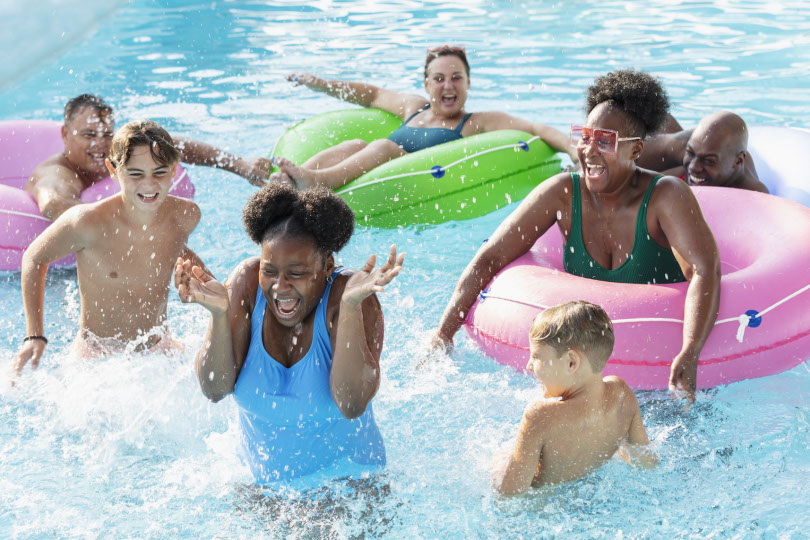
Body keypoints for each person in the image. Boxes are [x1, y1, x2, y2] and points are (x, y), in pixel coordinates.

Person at [432, 69, 721, 398]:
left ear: (636, 150)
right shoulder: (563, 194)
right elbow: (492, 256)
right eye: (584, 137)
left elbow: (703, 269)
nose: (589, 151)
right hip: (581, 373)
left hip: (656, 373)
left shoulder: (665, 197)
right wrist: (442, 335)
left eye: (605, 141)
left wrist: (691, 350)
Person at [174, 183, 404, 483]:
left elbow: (351, 404)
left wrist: (349, 308)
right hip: (261, 490)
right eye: (270, 271)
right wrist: (218, 315)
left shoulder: (351, 295)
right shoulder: (246, 284)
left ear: (327, 266)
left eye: (296, 273)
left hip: (349, 485)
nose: (280, 287)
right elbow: (214, 389)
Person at [12, 120, 203, 381]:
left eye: (159, 172)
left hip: (158, 347)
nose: (149, 185)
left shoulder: (185, 215)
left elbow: (172, 247)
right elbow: (34, 258)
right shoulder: (87, 222)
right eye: (136, 174)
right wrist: (34, 335)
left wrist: (207, 285)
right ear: (113, 169)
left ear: (173, 169)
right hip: (98, 355)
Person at [269, 45, 576, 189]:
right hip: (365, 171)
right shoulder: (413, 107)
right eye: (439, 78)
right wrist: (319, 83)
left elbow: (536, 127)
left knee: (383, 146)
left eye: (457, 77)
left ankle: (315, 181)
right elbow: (371, 95)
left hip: (410, 180)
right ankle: (288, 181)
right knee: (357, 142)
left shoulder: (475, 122)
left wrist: (574, 150)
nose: (448, 85)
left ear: (468, 83)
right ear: (427, 83)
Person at [492, 301, 656, 495]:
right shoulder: (622, 394)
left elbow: (509, 494)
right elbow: (646, 462)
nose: (529, 365)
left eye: (536, 356)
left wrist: (495, 468)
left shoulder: (540, 417)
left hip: (546, 507)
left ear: (571, 362)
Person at [26, 94, 273, 221]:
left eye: (106, 135)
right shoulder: (58, 172)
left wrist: (240, 165)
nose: (99, 144)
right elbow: (53, 203)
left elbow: (169, 143)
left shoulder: (114, 150)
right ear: (65, 133)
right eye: (89, 134)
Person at [637, 111, 768, 193]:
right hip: (675, 148)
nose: (694, 166)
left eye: (709, 161)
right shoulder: (686, 146)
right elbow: (623, 158)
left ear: (738, 161)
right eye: (690, 153)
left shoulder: (753, 194)